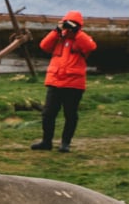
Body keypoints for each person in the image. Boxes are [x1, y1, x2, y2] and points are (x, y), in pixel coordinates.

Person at [31, 10, 97, 153]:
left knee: (70, 114)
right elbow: (44, 45)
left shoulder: (81, 38)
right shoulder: (58, 37)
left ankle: (65, 143)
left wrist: (76, 31)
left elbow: (90, 47)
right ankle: (46, 142)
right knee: (48, 113)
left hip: (73, 83)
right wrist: (56, 31)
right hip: (55, 82)